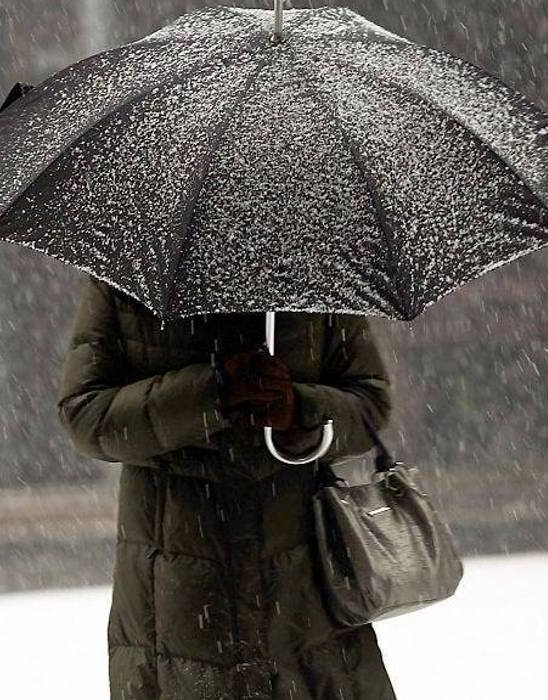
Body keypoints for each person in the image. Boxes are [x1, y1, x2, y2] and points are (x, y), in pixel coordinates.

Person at [57, 274, 398, 700]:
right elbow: (87, 416)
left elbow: (369, 404)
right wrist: (210, 391)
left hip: (303, 592)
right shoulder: (133, 278)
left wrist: (299, 409)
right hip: (175, 597)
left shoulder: (315, 274)